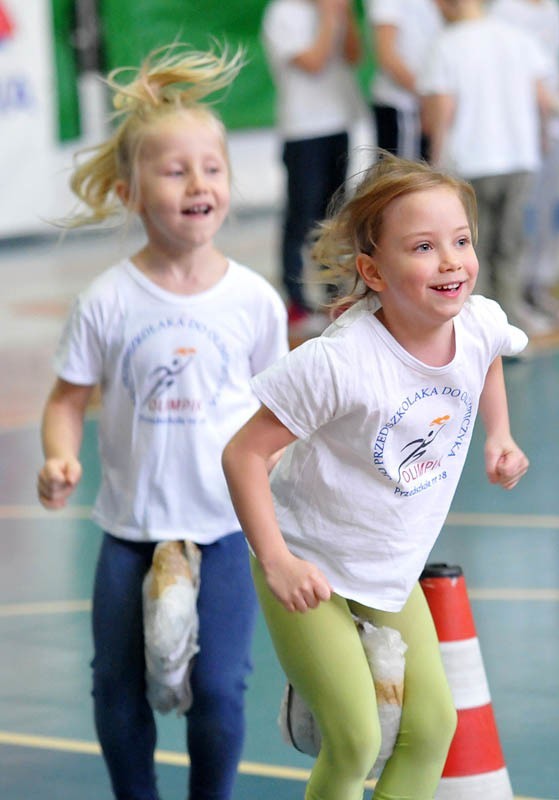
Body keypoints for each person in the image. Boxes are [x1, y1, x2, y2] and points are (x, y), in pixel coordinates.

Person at [222, 153, 529, 800]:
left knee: (431, 727)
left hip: (388, 565)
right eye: (422, 246)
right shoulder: (341, 362)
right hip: (309, 560)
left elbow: (487, 357)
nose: (450, 260)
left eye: (461, 240)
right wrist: (275, 559)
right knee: (357, 738)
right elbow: (244, 454)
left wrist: (497, 435)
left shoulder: (475, 322)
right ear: (373, 272)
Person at [36, 44, 288, 800]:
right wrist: (59, 458)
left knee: (218, 688)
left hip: (222, 526)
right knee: (116, 687)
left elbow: (278, 413)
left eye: (211, 168)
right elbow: (65, 399)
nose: (197, 183)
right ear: (129, 191)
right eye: (174, 170)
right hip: (131, 529)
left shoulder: (253, 302)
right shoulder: (108, 300)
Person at [418, 0, 553, 335]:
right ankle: (512, 329)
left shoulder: (445, 45)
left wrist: (434, 164)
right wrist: (540, 140)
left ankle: (477, 335)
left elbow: (442, 111)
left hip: (470, 163)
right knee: (510, 247)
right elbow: (544, 101)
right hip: (519, 159)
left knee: (468, 252)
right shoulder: (518, 38)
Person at [261, 0, 364, 337]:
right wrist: (331, 15)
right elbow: (315, 62)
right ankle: (296, 302)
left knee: (334, 216)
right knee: (302, 217)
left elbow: (353, 55)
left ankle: (334, 295)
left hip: (338, 124)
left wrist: (345, 15)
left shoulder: (332, 10)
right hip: (303, 130)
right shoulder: (282, 13)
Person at [491, 0, 559, 329]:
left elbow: (558, 59)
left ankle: (542, 287)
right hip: (523, 132)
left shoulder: (554, 9)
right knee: (522, 213)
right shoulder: (503, 11)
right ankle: (518, 294)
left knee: (554, 207)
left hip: (556, 123)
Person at [365, 0, 443, 161]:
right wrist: (426, 97)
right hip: (401, 105)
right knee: (404, 178)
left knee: (424, 175)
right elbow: (386, 55)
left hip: (422, 105)